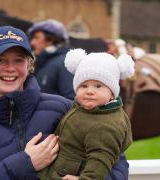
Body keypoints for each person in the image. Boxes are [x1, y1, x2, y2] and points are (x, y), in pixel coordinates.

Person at [0, 26, 129, 179]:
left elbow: (116, 161)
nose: (10, 68)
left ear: (29, 64)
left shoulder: (64, 109)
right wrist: (24, 164)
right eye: (0, 60)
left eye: (18, 60)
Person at [38, 49, 134, 180]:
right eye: (84, 86)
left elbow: (100, 161)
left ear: (112, 94)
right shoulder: (83, 108)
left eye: (98, 86)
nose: (89, 91)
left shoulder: (106, 126)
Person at [28, 19, 75, 100]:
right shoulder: (43, 62)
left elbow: (72, 100)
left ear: (50, 40)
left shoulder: (65, 63)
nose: (32, 43)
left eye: (36, 38)